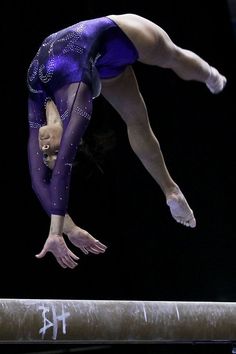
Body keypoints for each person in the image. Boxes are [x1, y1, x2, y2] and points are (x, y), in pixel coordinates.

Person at [27, 13, 227, 269]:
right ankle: (171, 190)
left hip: (118, 32)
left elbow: (58, 171)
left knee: (173, 56)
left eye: (48, 153)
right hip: (93, 61)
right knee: (137, 120)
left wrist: (56, 232)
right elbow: (39, 181)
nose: (44, 149)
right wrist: (69, 229)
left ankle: (210, 75)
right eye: (49, 152)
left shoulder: (39, 94)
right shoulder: (76, 102)